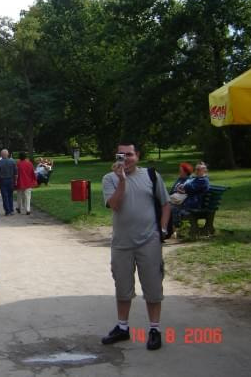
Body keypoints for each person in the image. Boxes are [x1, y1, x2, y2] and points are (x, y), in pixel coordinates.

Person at [101, 141, 170, 351]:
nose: (126, 159)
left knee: (153, 287)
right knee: (122, 287)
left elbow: (165, 204)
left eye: (129, 154)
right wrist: (122, 181)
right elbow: (114, 205)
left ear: (137, 155)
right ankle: (123, 327)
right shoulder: (109, 179)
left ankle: (155, 330)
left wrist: (163, 231)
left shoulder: (151, 176)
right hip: (122, 244)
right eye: (121, 155)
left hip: (149, 241)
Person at [170, 161, 210, 230]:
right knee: (169, 206)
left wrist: (184, 185)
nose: (196, 171)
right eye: (196, 169)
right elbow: (187, 188)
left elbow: (190, 187)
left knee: (173, 208)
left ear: (204, 171)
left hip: (194, 203)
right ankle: (174, 228)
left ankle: (176, 228)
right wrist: (184, 186)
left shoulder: (203, 181)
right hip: (189, 201)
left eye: (198, 170)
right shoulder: (197, 179)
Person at [0, 149, 17, 215]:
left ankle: (7, 210)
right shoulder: (12, 162)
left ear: (1, 155)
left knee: (5, 196)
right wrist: (15, 181)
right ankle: (11, 209)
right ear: (8, 154)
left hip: (3, 180)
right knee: (10, 195)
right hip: (11, 180)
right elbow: (16, 172)